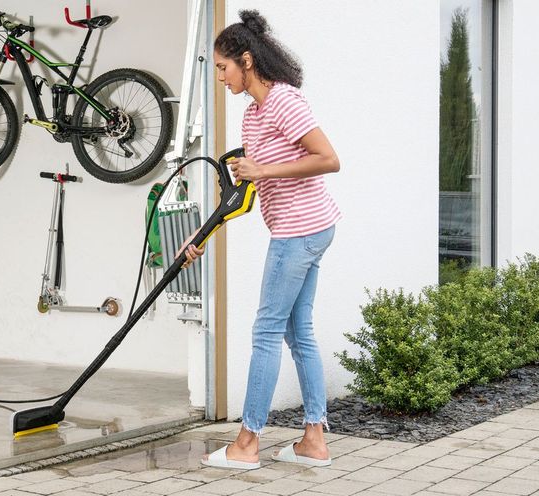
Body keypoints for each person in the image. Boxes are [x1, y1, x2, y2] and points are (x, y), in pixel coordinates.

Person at [180, 9, 341, 470]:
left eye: (222, 67)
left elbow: (329, 159)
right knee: (297, 330)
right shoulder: (253, 116)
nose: (220, 77)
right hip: (308, 229)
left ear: (246, 60)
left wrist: (265, 169)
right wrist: (204, 232)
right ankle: (313, 440)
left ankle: (246, 443)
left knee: (267, 331)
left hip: (299, 231)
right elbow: (246, 191)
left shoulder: (285, 102)